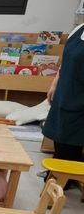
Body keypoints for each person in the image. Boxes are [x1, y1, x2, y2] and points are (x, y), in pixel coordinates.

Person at [43, 23, 84, 170]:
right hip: (65, 90)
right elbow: (65, 62)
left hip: (80, 96)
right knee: (59, 133)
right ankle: (58, 168)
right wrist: (54, 84)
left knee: (72, 138)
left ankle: (65, 176)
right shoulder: (79, 29)